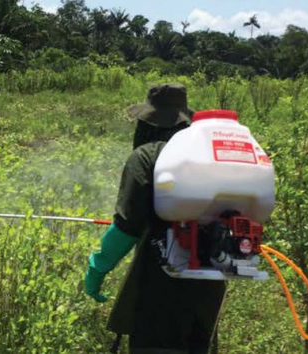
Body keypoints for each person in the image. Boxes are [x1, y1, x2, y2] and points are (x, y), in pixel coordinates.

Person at [85, 83, 226, 354]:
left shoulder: (147, 156)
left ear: (147, 122)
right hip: (210, 291)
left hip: (160, 293)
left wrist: (97, 268)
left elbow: (126, 228)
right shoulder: (209, 158)